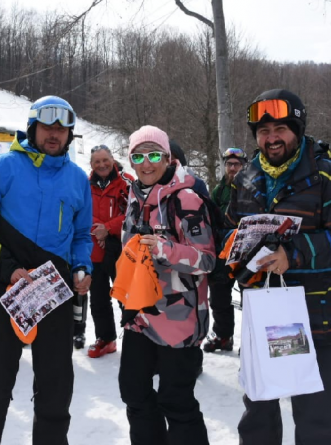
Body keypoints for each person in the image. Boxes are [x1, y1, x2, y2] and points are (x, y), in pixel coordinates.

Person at [228, 89, 331, 444]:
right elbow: (229, 225)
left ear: (298, 129)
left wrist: (293, 254)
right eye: (263, 131)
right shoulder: (246, 177)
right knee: (258, 409)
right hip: (264, 312)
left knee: (315, 417)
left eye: (280, 129)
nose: (271, 138)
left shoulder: (330, 178)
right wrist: (234, 245)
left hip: (318, 317)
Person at [0, 95, 93, 445]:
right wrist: (7, 268)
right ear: (32, 128)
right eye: (47, 127)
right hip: (6, 287)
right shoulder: (1, 168)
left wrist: (82, 266)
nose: (54, 134)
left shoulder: (77, 179)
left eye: (62, 129)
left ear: (70, 135)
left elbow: (81, 235)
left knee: (55, 387)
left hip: (54, 292)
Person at [113, 125, 215, 444]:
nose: (146, 164)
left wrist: (164, 249)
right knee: (134, 393)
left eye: (154, 155)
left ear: (168, 158)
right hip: (140, 315)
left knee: (176, 401)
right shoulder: (134, 195)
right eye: (138, 156)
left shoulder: (186, 198)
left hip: (178, 318)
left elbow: (207, 260)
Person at [76, 144, 129, 358]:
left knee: (126, 297)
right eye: (97, 161)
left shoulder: (127, 183)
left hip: (120, 251)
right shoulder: (83, 185)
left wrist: (107, 228)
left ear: (112, 160)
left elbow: (134, 214)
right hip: (94, 250)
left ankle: (134, 337)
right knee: (98, 299)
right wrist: (97, 228)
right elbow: (79, 212)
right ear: (91, 164)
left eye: (105, 160)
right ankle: (106, 338)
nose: (102, 164)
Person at [203, 147, 247, 353]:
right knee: (218, 296)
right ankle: (223, 336)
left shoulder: (252, 188)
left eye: (237, 164)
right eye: (229, 164)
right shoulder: (219, 190)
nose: (233, 168)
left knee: (250, 299)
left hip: (246, 251)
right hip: (222, 251)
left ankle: (250, 340)